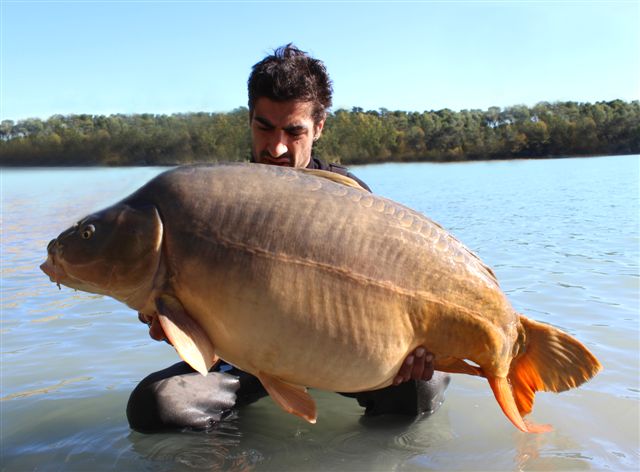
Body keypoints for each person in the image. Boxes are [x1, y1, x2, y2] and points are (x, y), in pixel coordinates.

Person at [126, 44, 450, 433]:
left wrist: (410, 354)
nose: (276, 147)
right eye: (264, 127)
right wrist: (175, 320)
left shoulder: (351, 198)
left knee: (420, 391)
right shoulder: (219, 199)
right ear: (249, 120)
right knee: (156, 407)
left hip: (339, 359)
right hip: (249, 359)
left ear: (319, 127)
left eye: (293, 131)